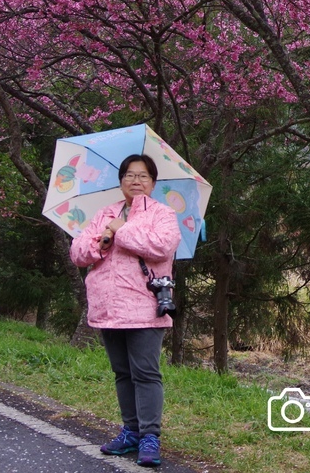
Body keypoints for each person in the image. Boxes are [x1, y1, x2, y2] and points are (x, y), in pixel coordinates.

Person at [70, 154, 180, 468]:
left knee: (146, 373)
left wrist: (123, 231)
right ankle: (131, 431)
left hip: (144, 306)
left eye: (143, 176)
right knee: (122, 372)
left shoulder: (162, 214)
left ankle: (149, 437)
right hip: (108, 306)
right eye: (130, 175)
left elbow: (162, 247)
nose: (136, 181)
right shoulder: (105, 214)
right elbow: (78, 253)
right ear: (121, 181)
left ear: (153, 183)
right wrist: (103, 240)